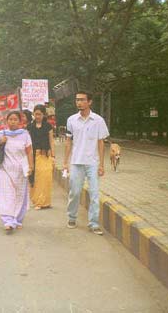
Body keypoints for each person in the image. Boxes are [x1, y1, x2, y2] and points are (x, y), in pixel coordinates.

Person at [63, 92, 109, 235]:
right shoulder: (71, 120)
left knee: (94, 194)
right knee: (75, 192)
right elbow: (68, 142)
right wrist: (65, 162)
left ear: (89, 102)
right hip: (76, 162)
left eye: (82, 100)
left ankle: (94, 223)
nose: (79, 102)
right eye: (77, 100)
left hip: (93, 162)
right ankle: (71, 217)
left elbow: (101, 143)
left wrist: (102, 164)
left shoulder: (98, 120)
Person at [0, 111, 34, 233]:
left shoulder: (25, 134)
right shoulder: (2, 133)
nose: (13, 122)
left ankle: (17, 219)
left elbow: (29, 151)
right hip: (5, 169)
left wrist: (31, 166)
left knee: (20, 195)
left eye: (15, 119)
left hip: (21, 169)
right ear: (7, 121)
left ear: (20, 121)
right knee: (6, 195)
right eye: (10, 119)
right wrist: (1, 142)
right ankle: (8, 221)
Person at [28, 105, 55, 209]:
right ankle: (38, 202)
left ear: (44, 115)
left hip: (45, 155)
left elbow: (51, 141)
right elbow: (27, 143)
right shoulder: (29, 127)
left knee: (45, 178)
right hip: (33, 155)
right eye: (36, 114)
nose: (37, 116)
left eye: (39, 114)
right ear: (33, 114)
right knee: (35, 178)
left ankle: (46, 202)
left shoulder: (48, 126)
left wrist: (53, 155)